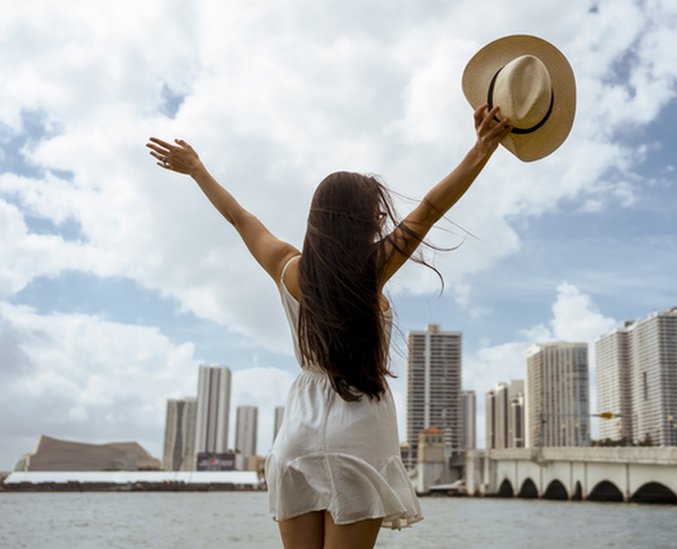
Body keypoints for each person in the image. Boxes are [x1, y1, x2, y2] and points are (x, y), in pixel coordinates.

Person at [145, 104, 512, 549]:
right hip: (359, 428)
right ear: (364, 220)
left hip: (299, 429)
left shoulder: (287, 268)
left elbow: (240, 218)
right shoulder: (371, 268)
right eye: (377, 213)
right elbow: (432, 207)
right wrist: (482, 148)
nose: (382, 219)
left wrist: (198, 170)